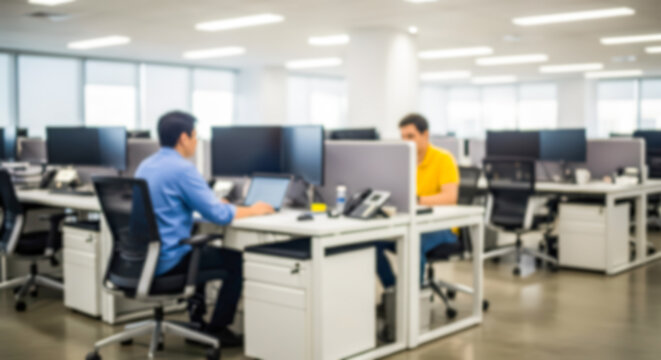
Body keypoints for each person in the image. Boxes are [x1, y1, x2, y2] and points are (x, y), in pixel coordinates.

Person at [135, 111, 274, 346]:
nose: (197, 142)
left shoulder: (146, 165)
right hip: (168, 261)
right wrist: (254, 209)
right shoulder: (182, 169)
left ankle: (197, 321)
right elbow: (218, 216)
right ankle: (217, 329)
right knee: (235, 261)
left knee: (199, 251)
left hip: (142, 259)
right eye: (195, 136)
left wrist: (212, 202)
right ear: (183, 138)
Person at [376, 113, 459, 290]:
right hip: (410, 222)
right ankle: (393, 290)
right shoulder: (403, 160)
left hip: (442, 227)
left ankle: (414, 300)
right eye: (403, 137)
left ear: (425, 135)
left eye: (411, 136)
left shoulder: (443, 158)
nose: (406, 141)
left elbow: (450, 197)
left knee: (414, 243)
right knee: (372, 242)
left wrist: (416, 200)